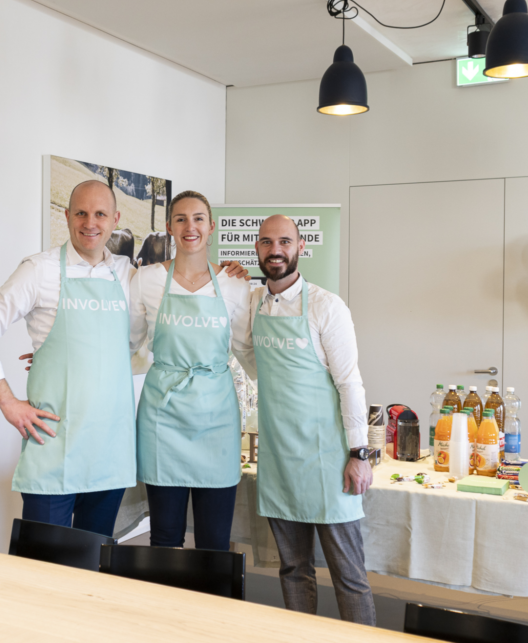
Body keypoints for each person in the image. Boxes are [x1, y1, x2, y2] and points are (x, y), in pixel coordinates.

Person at [0, 180, 136, 536]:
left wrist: (230, 270)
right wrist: (8, 402)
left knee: (97, 570)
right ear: (67, 215)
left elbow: (133, 336)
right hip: (53, 444)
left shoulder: (127, 274)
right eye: (82, 213)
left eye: (100, 214)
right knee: (42, 571)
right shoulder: (39, 270)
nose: (90, 223)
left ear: (115, 219)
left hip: (109, 448)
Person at [244, 214, 376, 626]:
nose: (275, 250)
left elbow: (350, 383)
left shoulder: (325, 305)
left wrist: (359, 452)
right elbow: (250, 364)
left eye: (284, 241)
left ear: (300, 247)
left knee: (349, 577)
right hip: (280, 460)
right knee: (293, 570)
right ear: (258, 250)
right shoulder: (252, 303)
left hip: (329, 463)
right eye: (267, 242)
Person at [129, 191, 253, 551]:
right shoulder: (147, 279)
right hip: (162, 418)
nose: (190, 226)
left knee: (214, 541)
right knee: (164, 538)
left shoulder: (234, 283)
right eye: (181, 219)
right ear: (169, 227)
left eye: (198, 218)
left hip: (217, 418)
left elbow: (247, 350)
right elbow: (125, 342)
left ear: (211, 227)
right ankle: (165, 609)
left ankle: (212, 609)